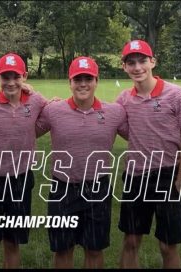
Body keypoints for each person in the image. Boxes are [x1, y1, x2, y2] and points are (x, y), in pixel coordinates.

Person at [36, 56, 129, 268]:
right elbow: (26, 131)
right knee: (62, 250)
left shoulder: (114, 112)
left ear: (96, 81)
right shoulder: (53, 110)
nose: (83, 84)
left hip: (98, 189)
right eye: (78, 79)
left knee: (94, 250)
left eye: (88, 78)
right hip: (63, 189)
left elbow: (139, 135)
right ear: (70, 82)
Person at [116, 40, 181, 268]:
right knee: (131, 241)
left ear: (153, 61)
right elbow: (103, 119)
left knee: (167, 244)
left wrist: (180, 180)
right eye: (131, 62)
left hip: (168, 175)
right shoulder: (124, 99)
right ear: (124, 67)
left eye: (142, 60)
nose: (137, 67)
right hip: (136, 177)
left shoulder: (177, 94)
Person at [0, 52, 47, 268]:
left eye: (16, 76)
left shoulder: (36, 101)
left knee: (13, 243)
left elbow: (52, 112)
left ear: (25, 76)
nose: (11, 82)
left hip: (20, 180)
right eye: (6, 77)